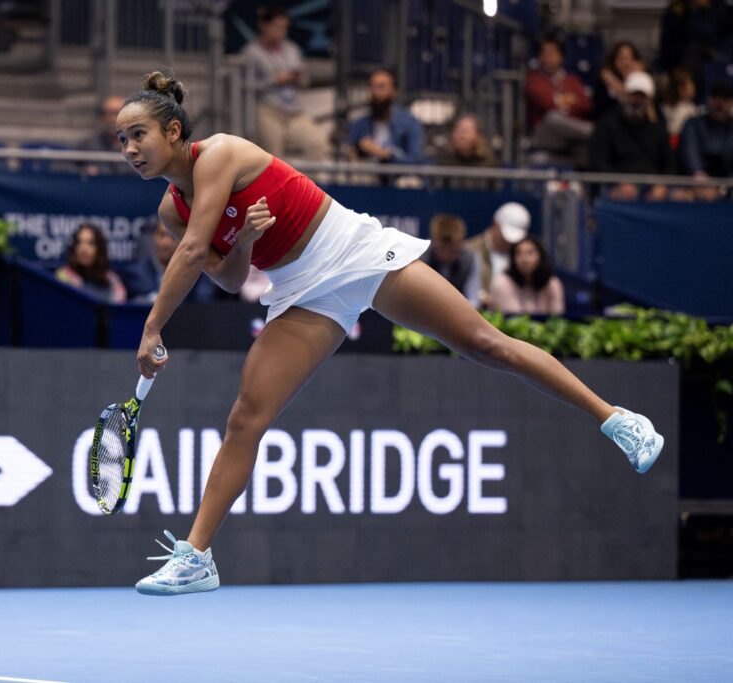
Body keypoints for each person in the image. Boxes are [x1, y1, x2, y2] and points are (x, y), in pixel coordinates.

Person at [117, 71, 664, 596]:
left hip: (355, 252)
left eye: (138, 134)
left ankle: (616, 419)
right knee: (245, 418)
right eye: (121, 140)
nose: (129, 148)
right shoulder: (172, 207)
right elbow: (229, 274)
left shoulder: (222, 154)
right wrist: (242, 241)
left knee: (484, 344)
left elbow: (191, 253)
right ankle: (197, 557)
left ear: (173, 130)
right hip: (300, 289)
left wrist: (151, 329)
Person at [242, 5, 331, 161]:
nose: (281, 31)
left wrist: (299, 78)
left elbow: (305, 80)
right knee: (273, 155)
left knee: (317, 142)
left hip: (294, 111)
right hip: (268, 110)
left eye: (284, 27)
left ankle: (315, 185)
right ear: (264, 26)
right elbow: (245, 86)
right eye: (277, 27)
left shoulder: (292, 49)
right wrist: (274, 81)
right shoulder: (251, 53)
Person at [589, 71, 675, 201]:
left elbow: (670, 164)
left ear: (649, 99)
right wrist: (618, 183)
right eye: (633, 95)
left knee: (679, 196)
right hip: (614, 184)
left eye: (641, 96)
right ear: (625, 95)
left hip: (651, 185)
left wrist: (661, 185)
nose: (636, 101)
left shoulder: (658, 128)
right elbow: (598, 162)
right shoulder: (607, 123)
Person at [524, 37, 593, 162]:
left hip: (570, 133)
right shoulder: (534, 79)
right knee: (553, 117)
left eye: (553, 53)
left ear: (561, 56)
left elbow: (585, 105)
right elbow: (545, 102)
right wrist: (569, 101)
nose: (548, 56)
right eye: (545, 53)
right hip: (544, 134)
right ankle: (594, 132)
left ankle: (594, 132)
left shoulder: (572, 80)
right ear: (539, 57)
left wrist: (559, 101)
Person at [678, 81, 733, 201]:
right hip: (695, 184)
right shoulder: (693, 125)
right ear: (709, 99)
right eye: (716, 97)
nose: (720, 103)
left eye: (725, 99)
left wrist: (723, 189)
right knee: (680, 196)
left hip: (730, 189)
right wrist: (700, 177)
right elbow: (690, 154)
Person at [346, 67, 425, 165]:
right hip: (367, 176)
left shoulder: (409, 123)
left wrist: (386, 155)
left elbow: (415, 159)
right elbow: (348, 153)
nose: (375, 93)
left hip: (399, 176)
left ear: (393, 91)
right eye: (372, 87)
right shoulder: (359, 124)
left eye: (381, 87)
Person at [464, 201, 531, 307]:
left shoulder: (521, 254)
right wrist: (481, 296)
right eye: (505, 235)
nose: (509, 242)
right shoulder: (469, 250)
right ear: (495, 224)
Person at [487, 236, 565, 316]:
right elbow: (516, 320)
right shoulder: (501, 283)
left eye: (530, 253)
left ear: (540, 257)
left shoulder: (552, 284)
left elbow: (557, 319)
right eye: (518, 253)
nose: (524, 259)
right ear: (512, 258)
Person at [145, 221, 218, 304]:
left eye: (172, 237)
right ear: (153, 237)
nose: (166, 243)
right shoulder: (138, 272)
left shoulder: (197, 273)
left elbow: (204, 300)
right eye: (162, 235)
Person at [55, 224, 128, 304]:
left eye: (90, 243)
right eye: (79, 243)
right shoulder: (62, 277)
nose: (83, 249)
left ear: (99, 249)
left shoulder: (113, 280)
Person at [422, 214, 481, 308]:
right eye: (442, 248)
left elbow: (473, 299)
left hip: (459, 313)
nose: (446, 254)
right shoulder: (421, 256)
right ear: (433, 240)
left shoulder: (470, 258)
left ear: (461, 243)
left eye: (452, 249)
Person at [433, 113, 500, 190]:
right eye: (458, 129)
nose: (462, 135)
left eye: (467, 130)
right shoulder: (443, 162)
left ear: (478, 136)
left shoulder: (490, 165)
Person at [76, 95, 129, 176]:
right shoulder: (89, 144)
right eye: (109, 114)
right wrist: (84, 170)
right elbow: (62, 166)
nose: (113, 119)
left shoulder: (142, 146)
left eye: (118, 113)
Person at [593, 40, 645, 120]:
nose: (626, 63)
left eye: (630, 58)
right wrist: (612, 82)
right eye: (622, 58)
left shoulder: (643, 79)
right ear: (614, 61)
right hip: (609, 125)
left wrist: (637, 78)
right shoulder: (603, 81)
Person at [660, 68, 698, 147]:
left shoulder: (690, 107)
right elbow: (673, 136)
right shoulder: (684, 109)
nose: (694, 88)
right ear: (681, 88)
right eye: (691, 84)